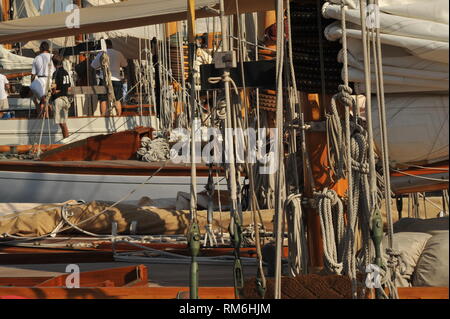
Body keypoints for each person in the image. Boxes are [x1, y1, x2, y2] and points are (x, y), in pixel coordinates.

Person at [90, 39, 127, 116]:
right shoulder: (118, 53)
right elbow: (125, 65)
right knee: (117, 100)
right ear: (111, 45)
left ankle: (103, 116)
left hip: (104, 79)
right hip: (116, 79)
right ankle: (118, 115)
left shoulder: (102, 54)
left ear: (104, 45)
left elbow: (93, 65)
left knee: (103, 99)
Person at [30, 41, 55, 117]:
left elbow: (33, 75)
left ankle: (44, 117)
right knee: (49, 101)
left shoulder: (37, 58)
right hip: (51, 80)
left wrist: (32, 84)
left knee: (42, 101)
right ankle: (50, 117)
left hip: (40, 81)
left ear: (40, 48)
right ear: (48, 48)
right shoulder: (53, 56)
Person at [50, 54, 71, 139]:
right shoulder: (66, 72)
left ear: (53, 64)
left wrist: (52, 91)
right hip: (65, 99)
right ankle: (66, 139)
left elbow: (54, 88)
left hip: (58, 99)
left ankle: (66, 139)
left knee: (62, 123)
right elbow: (68, 86)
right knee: (64, 122)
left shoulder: (55, 73)